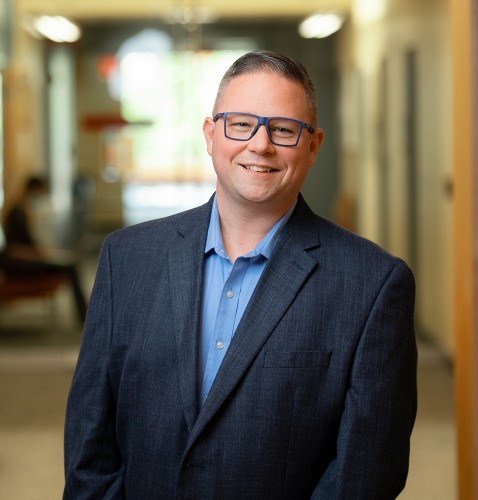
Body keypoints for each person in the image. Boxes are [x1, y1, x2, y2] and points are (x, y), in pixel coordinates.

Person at [64, 50, 417, 499]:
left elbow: (366, 474)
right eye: (240, 123)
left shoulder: (373, 285)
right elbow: (89, 447)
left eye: (284, 130)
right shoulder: (127, 259)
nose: (260, 144)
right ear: (210, 134)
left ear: (313, 145)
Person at [1, 176, 88, 323]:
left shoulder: (22, 210)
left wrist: (43, 251)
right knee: (70, 268)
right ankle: (85, 315)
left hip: (26, 257)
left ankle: (84, 314)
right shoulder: (16, 213)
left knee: (70, 264)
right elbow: (14, 248)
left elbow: (28, 243)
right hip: (18, 262)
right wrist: (37, 254)